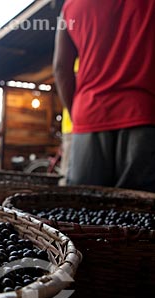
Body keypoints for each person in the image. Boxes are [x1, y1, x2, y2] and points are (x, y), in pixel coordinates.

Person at [53, 0, 155, 192]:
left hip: (89, 115)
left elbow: (60, 67)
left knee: (82, 209)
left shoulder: (71, 5)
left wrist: (77, 116)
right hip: (143, 114)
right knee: (140, 211)